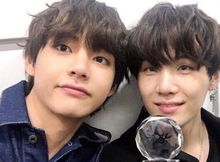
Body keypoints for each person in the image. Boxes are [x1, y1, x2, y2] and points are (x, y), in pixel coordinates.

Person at [100, 2, 220, 162]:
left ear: (214, 78)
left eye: (184, 67)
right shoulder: (116, 157)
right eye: (151, 69)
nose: (165, 87)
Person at [0, 0, 127, 161]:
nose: (80, 69)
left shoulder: (103, 156)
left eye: (100, 59)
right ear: (31, 60)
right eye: (63, 48)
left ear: (113, 86)